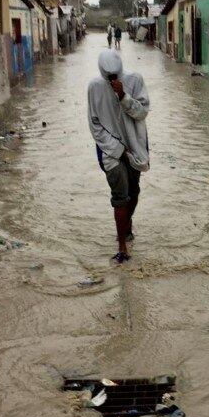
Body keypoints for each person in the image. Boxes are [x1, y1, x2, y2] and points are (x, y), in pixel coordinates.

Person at [87, 50, 150, 264]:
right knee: (120, 197)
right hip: (110, 152)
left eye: (116, 76)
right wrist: (116, 149)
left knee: (134, 192)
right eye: (109, 77)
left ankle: (127, 224)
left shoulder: (135, 80)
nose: (113, 80)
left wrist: (124, 97)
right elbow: (95, 124)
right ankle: (122, 245)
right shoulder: (95, 87)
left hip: (135, 148)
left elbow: (142, 112)